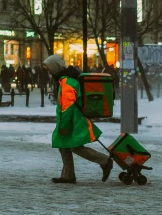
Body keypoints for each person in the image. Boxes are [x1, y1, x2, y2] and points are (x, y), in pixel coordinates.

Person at [44, 54, 113, 184]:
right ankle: (68, 175)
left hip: (72, 120)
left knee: (74, 146)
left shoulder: (67, 82)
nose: (48, 72)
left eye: (49, 68)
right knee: (63, 145)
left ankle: (104, 161)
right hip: (71, 118)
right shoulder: (66, 80)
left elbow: (68, 107)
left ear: (55, 67)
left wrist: (64, 125)